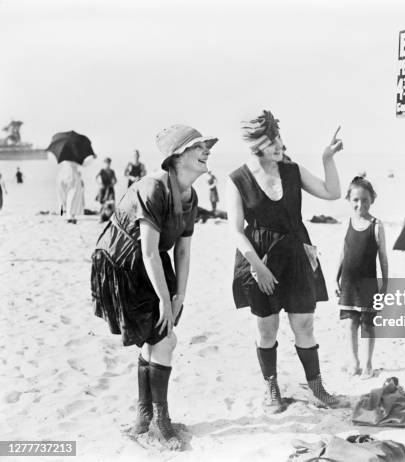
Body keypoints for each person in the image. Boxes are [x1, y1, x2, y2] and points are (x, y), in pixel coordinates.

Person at [90, 124, 217, 450]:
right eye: (198, 147)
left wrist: (179, 296)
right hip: (122, 264)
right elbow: (146, 249)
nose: (207, 152)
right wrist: (164, 298)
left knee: (158, 338)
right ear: (177, 157)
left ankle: (144, 417)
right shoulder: (152, 188)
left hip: (153, 261)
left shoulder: (191, 196)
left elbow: (184, 250)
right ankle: (159, 419)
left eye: (207, 147)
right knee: (165, 338)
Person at [227, 110, 346, 413]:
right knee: (267, 328)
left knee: (304, 322)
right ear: (255, 145)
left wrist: (327, 158)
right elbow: (235, 231)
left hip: (296, 253)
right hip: (260, 258)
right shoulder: (237, 179)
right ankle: (272, 389)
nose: (279, 144)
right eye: (271, 140)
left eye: (279, 137)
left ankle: (317, 388)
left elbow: (332, 193)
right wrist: (257, 266)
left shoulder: (292, 170)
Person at [336, 176, 388, 378]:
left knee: (367, 324)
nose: (360, 204)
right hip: (348, 282)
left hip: (368, 283)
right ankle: (354, 361)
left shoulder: (376, 225)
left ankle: (367, 364)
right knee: (350, 323)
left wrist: (385, 282)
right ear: (349, 199)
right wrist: (335, 278)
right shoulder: (347, 223)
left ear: (372, 200)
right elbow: (343, 253)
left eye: (365, 200)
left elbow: (383, 256)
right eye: (356, 200)